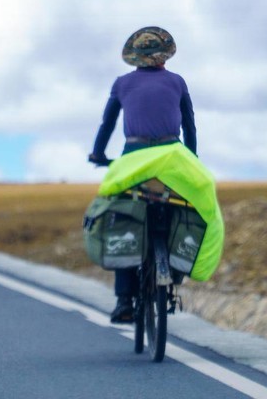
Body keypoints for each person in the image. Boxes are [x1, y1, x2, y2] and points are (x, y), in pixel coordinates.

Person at [88, 26, 197, 323]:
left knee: (123, 216)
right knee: (184, 209)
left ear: (135, 58)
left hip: (134, 160)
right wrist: (192, 159)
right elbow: (189, 125)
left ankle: (124, 301)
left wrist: (98, 154)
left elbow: (107, 125)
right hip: (172, 161)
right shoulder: (177, 82)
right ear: (164, 56)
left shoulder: (122, 83)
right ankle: (175, 269)